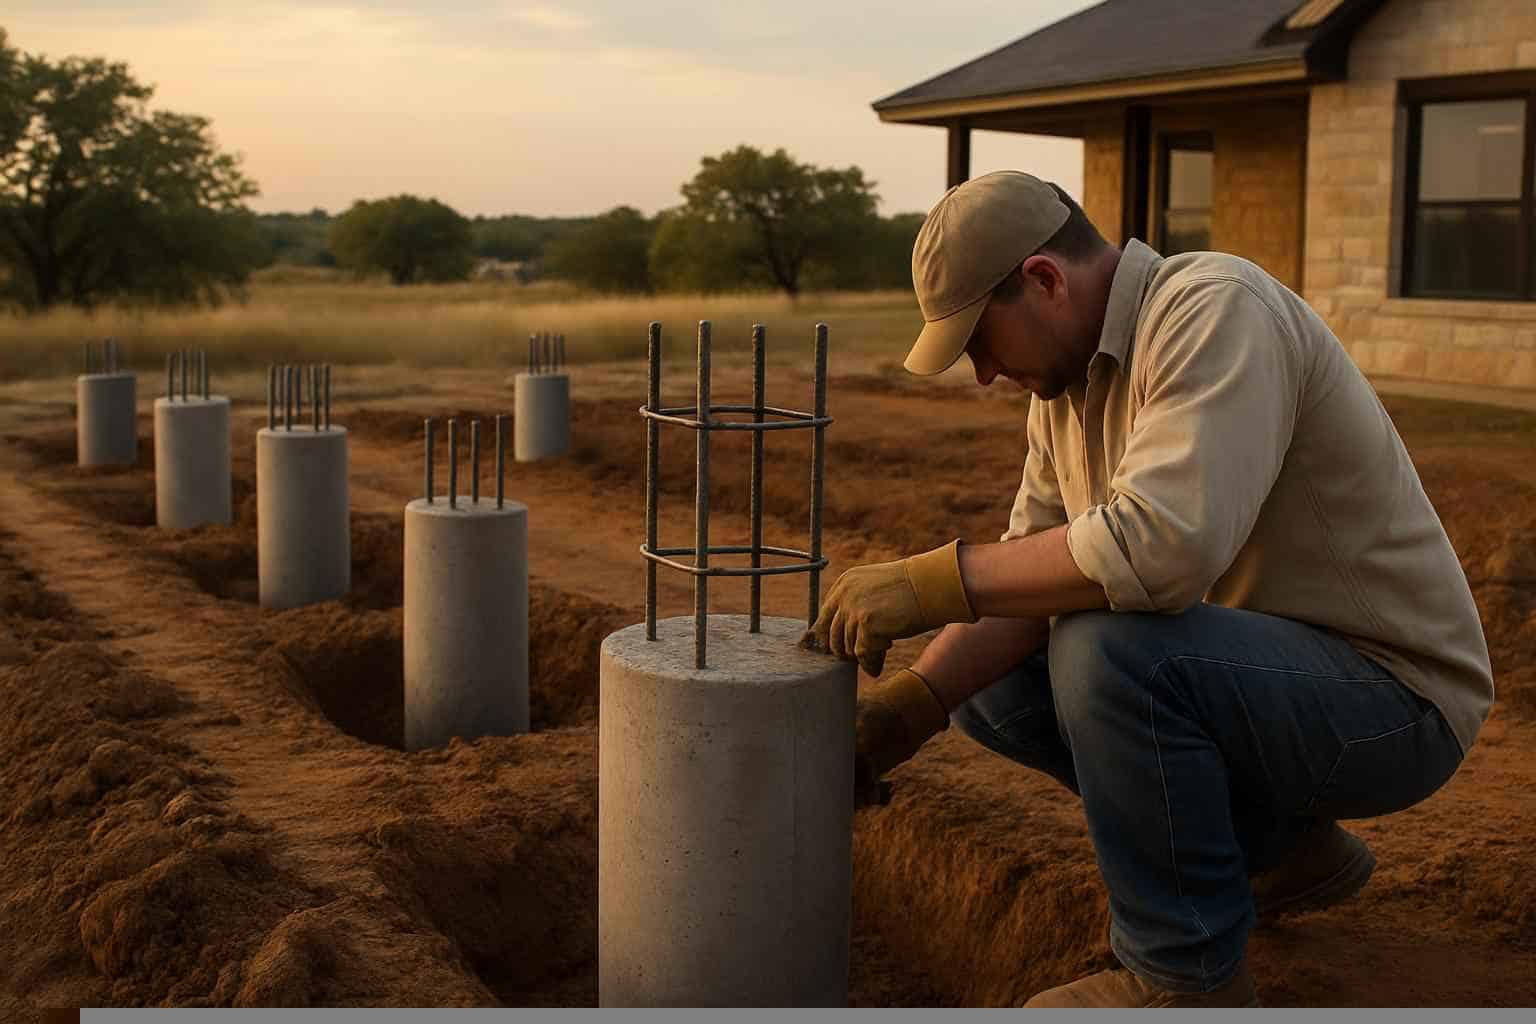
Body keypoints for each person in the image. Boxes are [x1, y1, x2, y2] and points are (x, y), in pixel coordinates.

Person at [802, 170, 1492, 1008]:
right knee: (988, 688)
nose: (982, 374)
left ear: (1045, 280)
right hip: (1265, 683)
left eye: (980, 340)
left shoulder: (1213, 308)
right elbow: (1035, 572)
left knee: (1111, 648)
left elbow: (1161, 548)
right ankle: (1280, 852)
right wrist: (911, 707)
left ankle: (1183, 980)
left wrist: (932, 581)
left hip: (1393, 698)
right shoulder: (1063, 393)